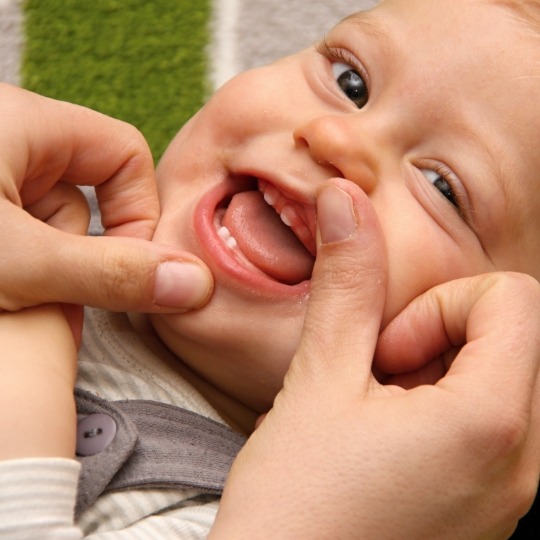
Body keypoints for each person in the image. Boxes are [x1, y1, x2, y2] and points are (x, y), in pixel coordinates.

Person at [0, 0, 539, 538]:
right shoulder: (31, 215)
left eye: (443, 187)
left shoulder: (244, 515)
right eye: (350, 82)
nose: (338, 140)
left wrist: (28, 342)